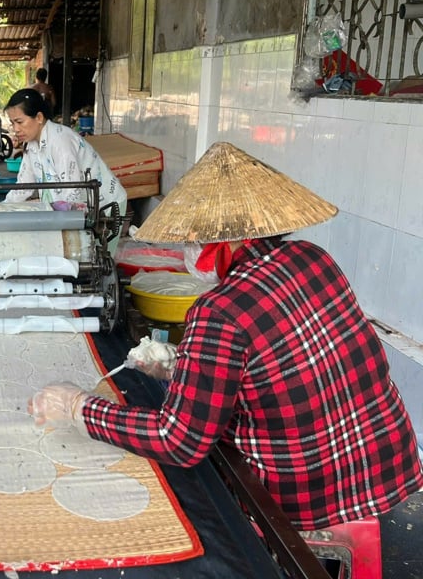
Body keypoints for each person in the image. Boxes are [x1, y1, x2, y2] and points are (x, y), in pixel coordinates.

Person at [28, 142, 423, 531]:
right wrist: (184, 367)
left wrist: (80, 407)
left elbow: (178, 441)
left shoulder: (218, 312)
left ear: (222, 241)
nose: (189, 249)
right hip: (385, 464)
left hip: (305, 495)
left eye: (194, 240)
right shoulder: (313, 258)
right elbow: (281, 364)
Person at [3, 88, 127, 218]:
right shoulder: (31, 145)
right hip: (75, 209)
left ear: (39, 117)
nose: (16, 129)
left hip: (106, 208)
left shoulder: (60, 141)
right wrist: (1, 209)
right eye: (12, 123)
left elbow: (72, 193)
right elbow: (23, 186)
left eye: (19, 122)